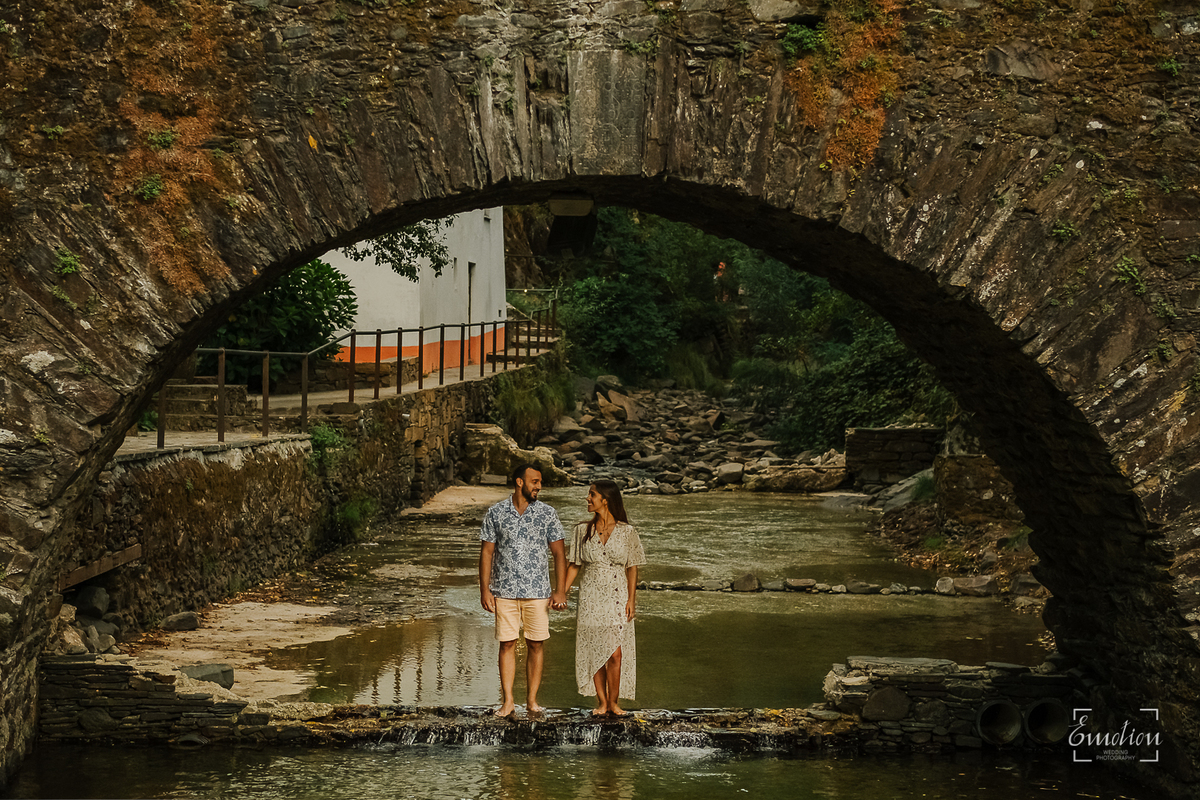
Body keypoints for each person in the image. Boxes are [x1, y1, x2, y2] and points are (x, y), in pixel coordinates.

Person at [479, 463, 568, 717]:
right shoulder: (496, 513)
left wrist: (560, 590)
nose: (539, 486)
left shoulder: (548, 514)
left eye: (539, 482)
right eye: (535, 481)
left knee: (536, 644)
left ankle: (531, 701)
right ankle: (508, 702)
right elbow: (486, 553)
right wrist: (484, 590)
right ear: (520, 482)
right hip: (503, 591)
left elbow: (559, 554)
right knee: (506, 644)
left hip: (538, 592)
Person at [564, 480, 646, 716]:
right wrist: (562, 592)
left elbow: (632, 567)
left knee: (615, 653)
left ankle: (614, 702)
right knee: (594, 649)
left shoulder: (627, 532)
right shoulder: (582, 530)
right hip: (590, 597)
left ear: (606, 499)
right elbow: (574, 566)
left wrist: (632, 599)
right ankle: (601, 703)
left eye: (592, 495)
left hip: (618, 596)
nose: (587, 499)